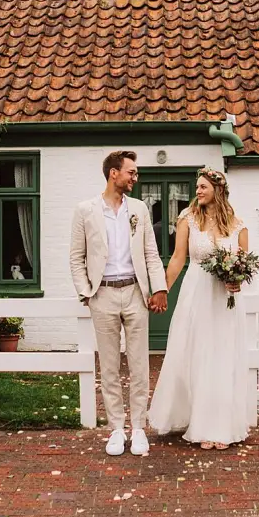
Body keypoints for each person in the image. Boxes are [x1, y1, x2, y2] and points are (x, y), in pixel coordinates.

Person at [69, 150, 168, 456]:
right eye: (131, 172)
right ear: (114, 173)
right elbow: (77, 257)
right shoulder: (85, 210)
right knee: (109, 366)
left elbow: (151, 253)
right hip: (104, 295)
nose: (135, 178)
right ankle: (116, 429)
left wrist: (159, 288)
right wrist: (87, 293)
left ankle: (138, 428)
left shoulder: (139, 209)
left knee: (140, 364)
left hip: (135, 294)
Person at [148, 166, 251, 450]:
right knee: (195, 354)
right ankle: (198, 420)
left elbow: (244, 266)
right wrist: (161, 290)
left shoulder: (239, 226)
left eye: (203, 186)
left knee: (222, 357)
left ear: (218, 190)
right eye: (197, 187)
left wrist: (237, 282)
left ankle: (220, 426)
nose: (198, 191)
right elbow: (178, 259)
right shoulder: (188, 219)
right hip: (196, 294)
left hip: (224, 301)